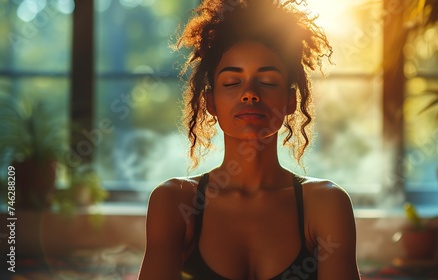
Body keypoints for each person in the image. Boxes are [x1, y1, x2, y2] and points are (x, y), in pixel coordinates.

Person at [138, 0, 360, 279]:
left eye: (267, 81)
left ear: (291, 101)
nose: (250, 94)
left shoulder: (326, 204)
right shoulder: (174, 201)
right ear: (211, 102)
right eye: (232, 83)